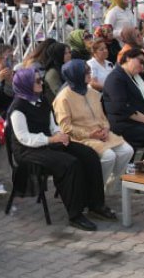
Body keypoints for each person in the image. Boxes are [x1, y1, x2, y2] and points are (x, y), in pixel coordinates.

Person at [6, 68, 111, 231]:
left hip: (47, 143)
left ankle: (96, 204)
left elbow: (52, 125)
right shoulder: (18, 108)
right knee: (70, 164)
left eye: (41, 79)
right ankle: (75, 214)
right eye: (37, 81)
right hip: (28, 151)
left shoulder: (41, 100)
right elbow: (23, 138)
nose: (41, 82)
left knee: (89, 155)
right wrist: (51, 139)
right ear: (26, 84)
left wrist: (59, 134)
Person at [51, 59, 134, 191]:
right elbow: (66, 128)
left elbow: (102, 117)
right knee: (109, 156)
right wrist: (90, 134)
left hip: (100, 134)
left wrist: (106, 129)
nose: (90, 74)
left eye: (89, 71)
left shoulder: (92, 93)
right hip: (80, 138)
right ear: (76, 75)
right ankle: (96, 189)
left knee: (127, 151)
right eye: (86, 72)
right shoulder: (63, 98)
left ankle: (108, 184)